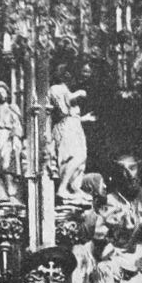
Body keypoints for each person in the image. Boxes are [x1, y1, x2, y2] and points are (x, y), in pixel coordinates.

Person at [48, 64, 96, 204]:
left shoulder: (66, 90)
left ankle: (74, 187)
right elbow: (63, 109)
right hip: (66, 128)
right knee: (76, 156)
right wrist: (77, 94)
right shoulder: (55, 88)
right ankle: (62, 188)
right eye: (68, 74)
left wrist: (84, 118)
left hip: (74, 126)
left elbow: (72, 114)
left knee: (81, 159)